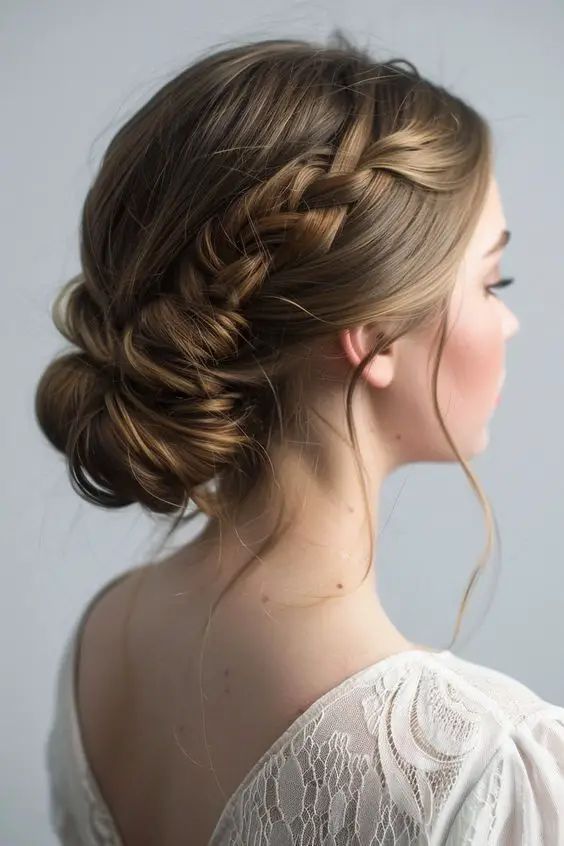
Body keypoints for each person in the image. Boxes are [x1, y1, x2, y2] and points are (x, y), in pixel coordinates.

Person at [36, 31, 564, 845]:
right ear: (374, 332)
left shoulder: (101, 645)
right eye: (495, 282)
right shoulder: (480, 767)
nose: (512, 320)